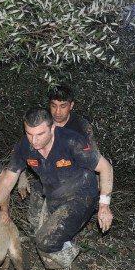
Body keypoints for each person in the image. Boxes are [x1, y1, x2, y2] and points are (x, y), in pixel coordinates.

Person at [0, 108, 113, 270]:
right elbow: (7, 181)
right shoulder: (24, 146)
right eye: (29, 134)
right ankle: (66, 247)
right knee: (38, 233)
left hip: (81, 196)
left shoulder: (72, 142)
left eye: (39, 134)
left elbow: (105, 167)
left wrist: (104, 206)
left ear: (52, 128)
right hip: (53, 195)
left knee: (46, 241)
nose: (34, 141)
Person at [18, 85, 98, 232]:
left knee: (62, 223)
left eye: (63, 106)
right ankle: (37, 235)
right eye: (54, 106)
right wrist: (21, 175)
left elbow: (94, 159)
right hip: (47, 176)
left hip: (73, 180)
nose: (58, 111)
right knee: (36, 215)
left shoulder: (81, 126)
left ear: (71, 105)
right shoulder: (42, 122)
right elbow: (24, 149)